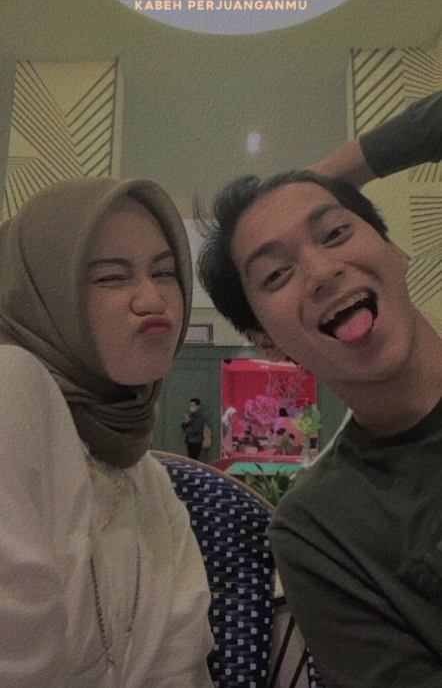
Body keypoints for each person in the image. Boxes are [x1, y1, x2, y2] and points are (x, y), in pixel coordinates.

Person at [197, 90, 442, 687]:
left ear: (396, 251)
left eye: (334, 233)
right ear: (267, 342)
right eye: (277, 273)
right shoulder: (321, 528)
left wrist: (338, 170)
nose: (322, 272)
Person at [0, 177, 214, 688]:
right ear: (45, 295)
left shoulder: (145, 476)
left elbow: (181, 663)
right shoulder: (11, 385)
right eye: (112, 278)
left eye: (165, 272)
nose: (153, 299)